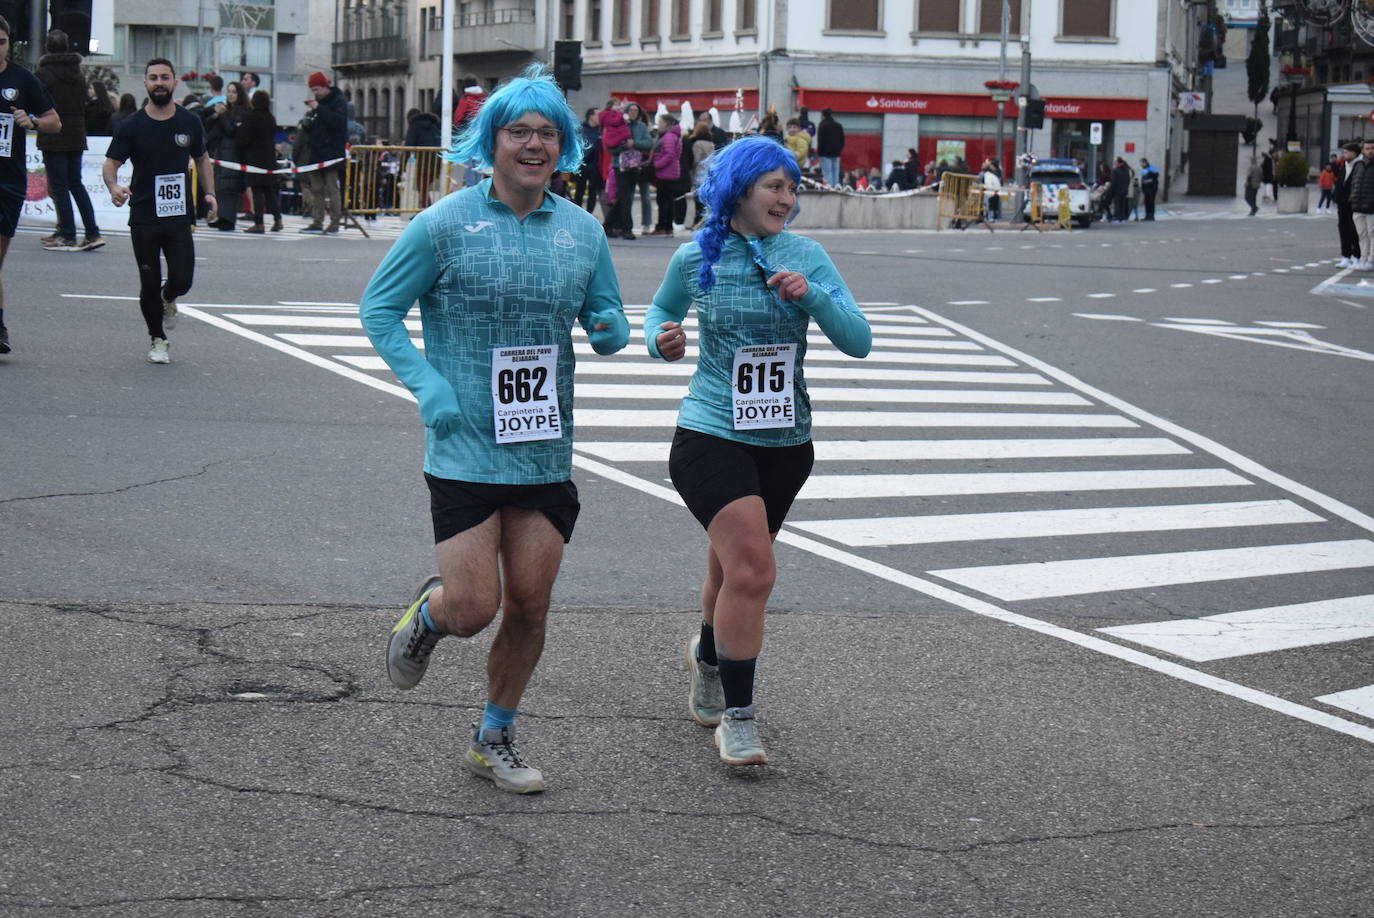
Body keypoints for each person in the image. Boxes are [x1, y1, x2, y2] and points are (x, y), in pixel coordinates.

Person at [361, 65, 629, 795]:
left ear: (564, 146)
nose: (534, 145)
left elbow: (605, 318)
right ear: (492, 142)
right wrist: (428, 385)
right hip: (465, 443)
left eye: (548, 134)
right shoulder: (444, 224)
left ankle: (494, 736)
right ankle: (430, 617)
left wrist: (611, 329)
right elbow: (378, 309)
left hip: (542, 445)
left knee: (531, 605)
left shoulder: (582, 232)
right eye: (519, 132)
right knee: (475, 607)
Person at [643, 135, 871, 766]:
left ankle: (708, 657)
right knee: (753, 571)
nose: (786, 198)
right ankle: (738, 721)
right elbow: (660, 310)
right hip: (710, 431)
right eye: (774, 186)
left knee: (731, 569)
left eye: (792, 188)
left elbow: (859, 340)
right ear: (739, 189)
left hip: (785, 442)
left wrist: (812, 296)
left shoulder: (807, 255)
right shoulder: (696, 256)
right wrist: (660, 338)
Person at [102, 58, 217, 365]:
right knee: (149, 281)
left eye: (165, 77)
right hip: (144, 214)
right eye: (153, 78)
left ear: (174, 82)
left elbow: (202, 158)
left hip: (178, 213)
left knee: (182, 279)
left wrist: (209, 193)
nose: (159, 83)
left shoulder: (189, 121)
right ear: (146, 84)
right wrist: (114, 187)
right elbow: (111, 163)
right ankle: (158, 338)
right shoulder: (132, 125)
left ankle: (169, 297)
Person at [0, 14, 62, 355]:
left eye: (1, 42)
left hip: (7, 182)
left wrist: (32, 120)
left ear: (9, 43)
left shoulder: (22, 79)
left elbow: (55, 121)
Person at [34, 29, 102, 252]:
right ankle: (92, 232)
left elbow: (36, 101)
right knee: (76, 184)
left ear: (47, 47)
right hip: (76, 133)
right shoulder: (78, 74)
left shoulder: (43, 73)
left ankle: (67, 233)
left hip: (53, 133)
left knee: (59, 187)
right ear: (67, 46)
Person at [300, 71, 347, 233]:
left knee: (332, 188)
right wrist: (307, 123)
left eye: (317, 89)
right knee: (316, 189)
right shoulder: (318, 104)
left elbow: (338, 122)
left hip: (332, 152)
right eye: (313, 90)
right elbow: (315, 126)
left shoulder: (338, 101)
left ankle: (335, 222)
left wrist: (318, 108)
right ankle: (317, 221)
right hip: (316, 151)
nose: (315, 93)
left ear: (325, 86)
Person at [204, 80, 248, 230]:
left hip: (233, 152)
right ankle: (222, 216)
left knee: (229, 185)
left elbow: (231, 130)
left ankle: (228, 219)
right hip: (221, 151)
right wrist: (216, 115)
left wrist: (223, 115)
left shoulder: (242, 111)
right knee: (220, 185)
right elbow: (210, 128)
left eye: (234, 92)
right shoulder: (227, 110)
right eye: (228, 91)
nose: (230, 95)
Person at [236, 88, 279, 232]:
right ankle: (278, 219)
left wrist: (239, 129)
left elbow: (243, 139)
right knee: (269, 191)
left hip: (255, 159)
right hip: (269, 158)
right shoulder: (271, 117)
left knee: (257, 191)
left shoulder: (251, 117)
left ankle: (259, 222)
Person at [403, 105, 442, 209]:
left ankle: (426, 210)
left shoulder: (414, 126)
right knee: (423, 187)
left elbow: (407, 148)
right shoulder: (434, 126)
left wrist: (402, 168)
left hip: (424, 161)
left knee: (422, 187)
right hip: (436, 161)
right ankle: (424, 209)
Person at [650, 113, 681, 235]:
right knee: (667, 201)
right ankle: (667, 226)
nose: (658, 124)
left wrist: (657, 164)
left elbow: (669, 154)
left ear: (666, 124)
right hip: (670, 172)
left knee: (663, 201)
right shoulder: (673, 136)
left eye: (660, 122)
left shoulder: (668, 137)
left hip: (666, 173)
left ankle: (662, 226)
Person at [1345, 138, 1374, 270]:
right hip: (1358, 206)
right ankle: (1363, 258)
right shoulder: (1358, 165)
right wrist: (1352, 199)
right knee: (1361, 234)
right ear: (1362, 150)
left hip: (1372, 207)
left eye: (1372, 148)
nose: (1370, 151)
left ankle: (1371, 260)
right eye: (1367, 148)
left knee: (1372, 234)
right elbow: (1353, 183)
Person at [1334, 141, 1360, 268]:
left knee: (1354, 230)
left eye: (1346, 152)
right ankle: (1345, 256)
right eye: (1343, 152)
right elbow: (1339, 182)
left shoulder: (1360, 165)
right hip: (1342, 203)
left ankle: (1357, 256)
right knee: (1343, 229)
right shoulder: (1343, 166)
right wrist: (1336, 197)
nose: (1344, 154)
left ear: (1354, 153)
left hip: (1355, 203)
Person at [571, 106, 602, 215]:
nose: (600, 117)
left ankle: (589, 214)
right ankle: (577, 214)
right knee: (579, 190)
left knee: (593, 192)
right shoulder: (580, 129)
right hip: (582, 164)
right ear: (590, 116)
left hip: (596, 165)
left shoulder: (600, 130)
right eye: (598, 115)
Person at [816, 107, 844, 187]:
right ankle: (836, 187)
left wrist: (819, 152)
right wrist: (839, 150)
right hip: (836, 153)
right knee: (835, 172)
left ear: (823, 115)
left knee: (827, 172)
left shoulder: (822, 125)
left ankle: (830, 188)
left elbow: (821, 140)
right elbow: (842, 140)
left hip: (825, 153)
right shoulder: (838, 125)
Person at [1109, 157, 1132, 223]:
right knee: (1122, 204)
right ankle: (1122, 218)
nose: (1114, 163)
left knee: (1117, 204)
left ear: (1117, 162)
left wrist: (1111, 190)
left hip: (1117, 190)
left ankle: (1117, 218)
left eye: (1115, 162)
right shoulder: (1126, 170)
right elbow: (1128, 180)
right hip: (1124, 190)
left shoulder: (1115, 170)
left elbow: (1113, 182)